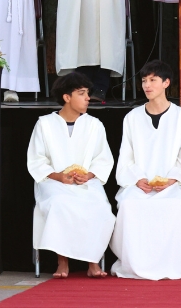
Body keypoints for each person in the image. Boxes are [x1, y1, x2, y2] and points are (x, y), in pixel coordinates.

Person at [109, 60, 181, 280]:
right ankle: (135, 265)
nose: (147, 85)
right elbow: (125, 158)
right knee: (129, 205)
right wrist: (138, 180)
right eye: (144, 80)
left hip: (174, 184)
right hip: (139, 184)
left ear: (166, 83)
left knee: (175, 205)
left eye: (153, 80)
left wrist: (171, 180)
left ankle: (172, 264)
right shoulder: (132, 118)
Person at [26, 72, 115, 278]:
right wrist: (59, 177)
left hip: (86, 182)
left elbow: (103, 159)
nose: (87, 98)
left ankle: (93, 263)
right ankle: (62, 262)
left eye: (87, 94)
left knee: (100, 206)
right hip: (53, 181)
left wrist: (90, 175)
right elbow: (37, 160)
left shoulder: (95, 125)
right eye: (81, 93)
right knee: (60, 203)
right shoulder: (44, 123)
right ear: (67, 97)